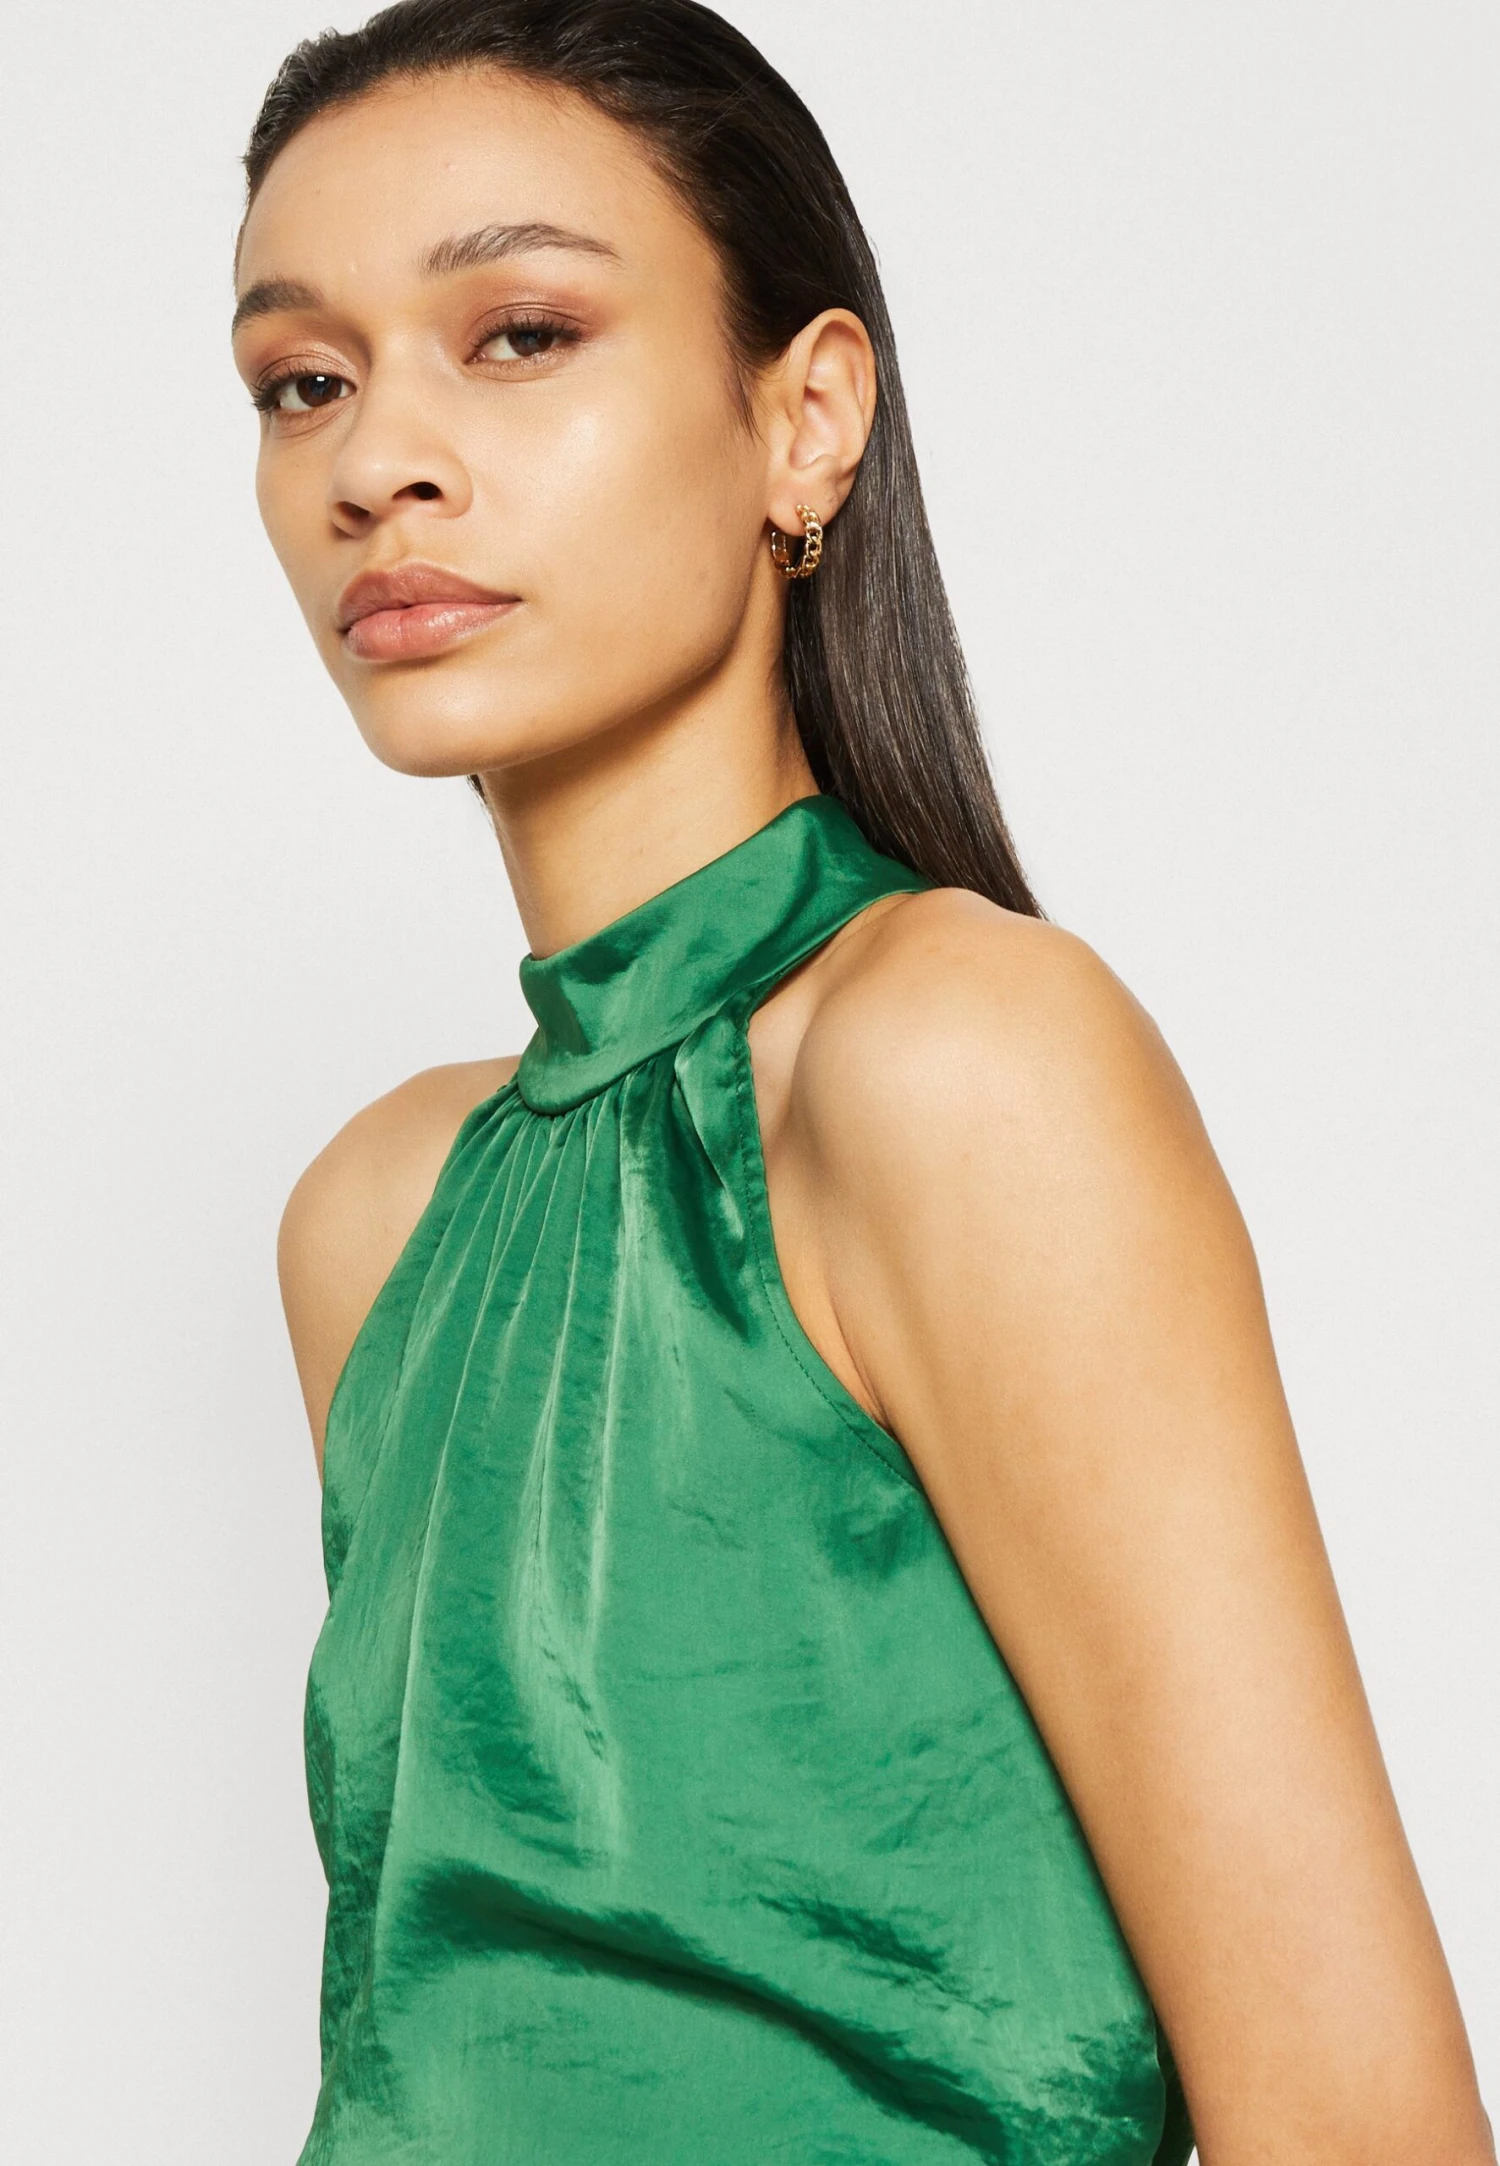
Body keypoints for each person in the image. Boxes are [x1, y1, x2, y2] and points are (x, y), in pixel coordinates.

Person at [232, 4, 1494, 2161]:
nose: (377, 463)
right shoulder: (374, 1220)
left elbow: (1360, 2120)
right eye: (303, 381)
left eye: (521, 334)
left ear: (806, 419)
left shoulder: (956, 1060)